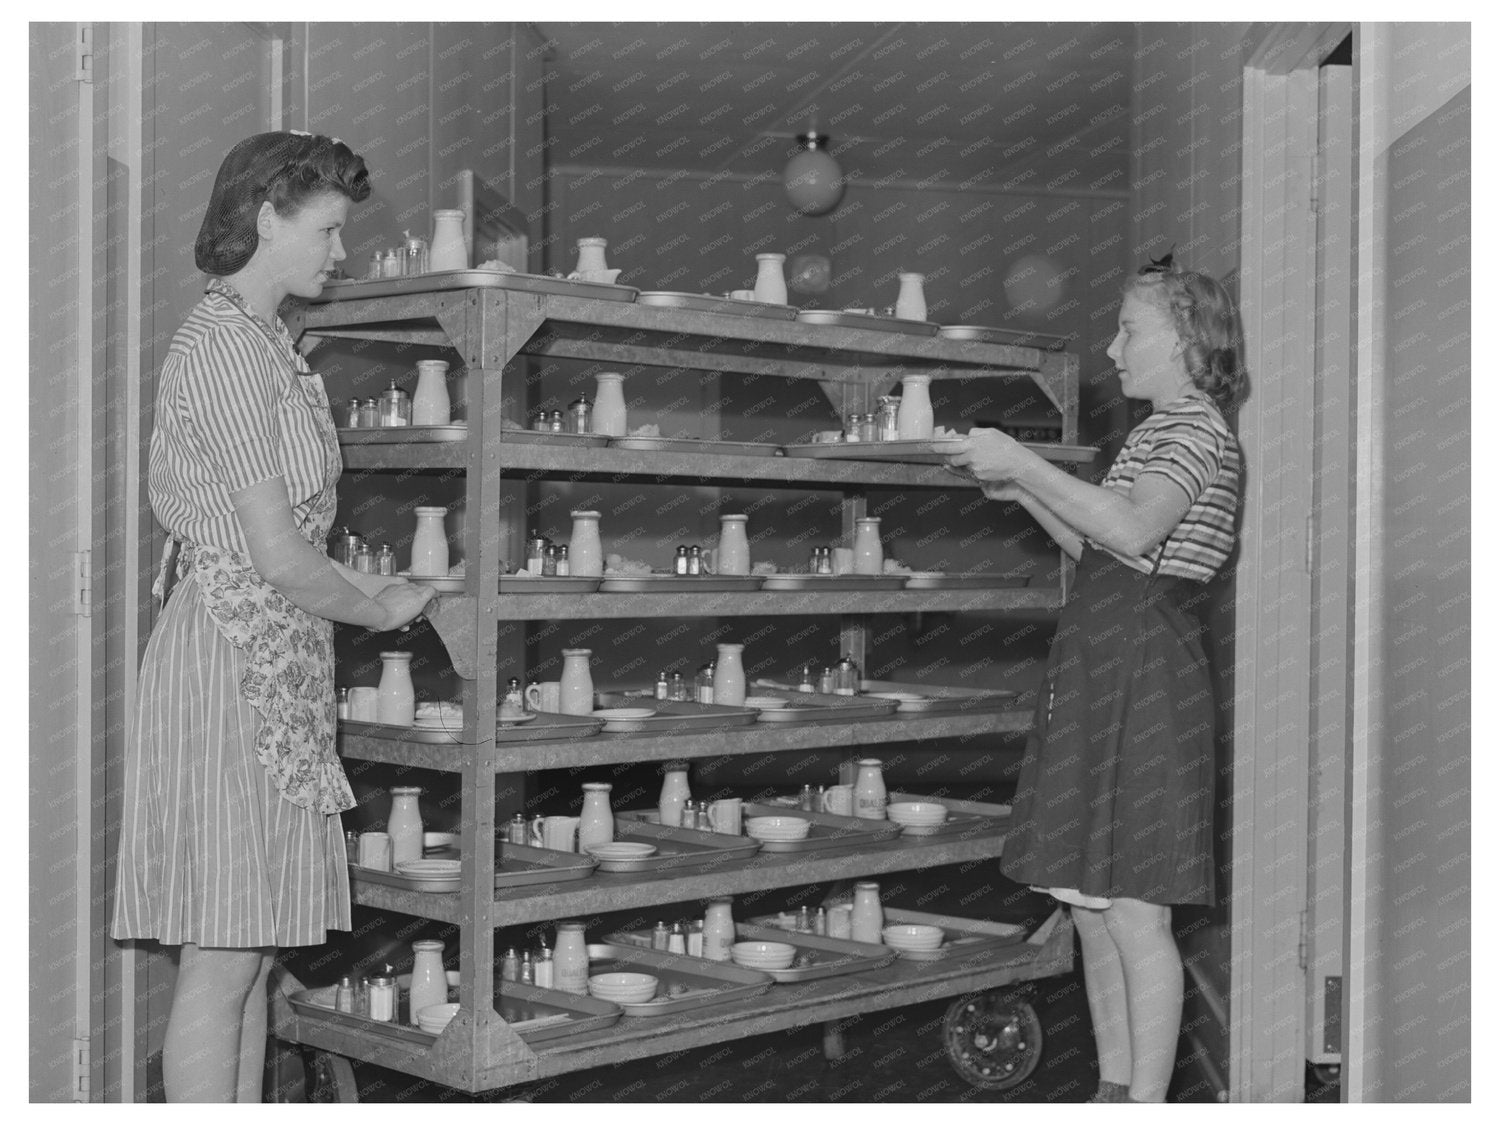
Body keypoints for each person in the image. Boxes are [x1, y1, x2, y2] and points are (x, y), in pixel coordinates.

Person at [110, 132, 435, 1102]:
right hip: (226, 664)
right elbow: (277, 553)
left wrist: (369, 602)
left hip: (276, 662)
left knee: (249, 959)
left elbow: (292, 545)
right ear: (267, 218)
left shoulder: (268, 346)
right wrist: (378, 606)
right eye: (329, 230)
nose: (342, 252)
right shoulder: (218, 349)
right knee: (221, 959)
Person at [947, 255, 1246, 1104]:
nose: (1112, 348)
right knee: (1090, 903)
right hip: (1106, 661)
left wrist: (1026, 461)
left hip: (1144, 674)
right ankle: (1113, 1092)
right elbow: (1105, 546)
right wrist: (1021, 490)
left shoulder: (1192, 429)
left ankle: (1143, 1107)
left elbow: (1132, 522)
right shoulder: (1160, 431)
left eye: (1129, 330)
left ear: (1187, 341)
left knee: (1137, 911)